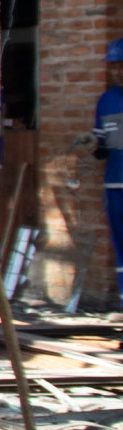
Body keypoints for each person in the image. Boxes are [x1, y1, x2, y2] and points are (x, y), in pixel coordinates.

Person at [95, 39, 123, 295]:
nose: (118, 72)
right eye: (114, 66)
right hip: (114, 182)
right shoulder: (106, 100)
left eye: (121, 65)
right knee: (121, 248)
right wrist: (98, 146)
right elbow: (100, 137)